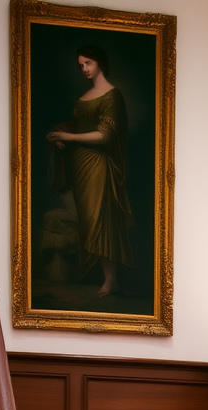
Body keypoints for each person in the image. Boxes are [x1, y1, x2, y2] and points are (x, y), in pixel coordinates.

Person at [46, 46, 133, 298]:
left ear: (100, 64)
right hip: (81, 166)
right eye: (81, 64)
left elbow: (106, 135)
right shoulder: (85, 95)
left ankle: (111, 279)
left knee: (100, 220)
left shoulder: (111, 96)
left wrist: (69, 137)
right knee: (87, 220)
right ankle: (105, 278)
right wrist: (65, 138)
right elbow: (83, 126)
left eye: (88, 63)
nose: (84, 68)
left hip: (100, 166)